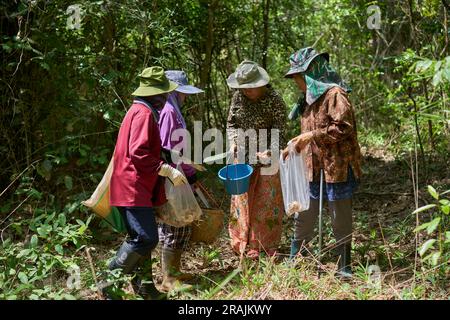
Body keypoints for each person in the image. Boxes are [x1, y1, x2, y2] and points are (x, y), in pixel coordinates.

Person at [105, 66, 188, 299]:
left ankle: (146, 290)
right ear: (154, 93)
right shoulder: (143, 113)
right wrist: (166, 169)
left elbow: (145, 147)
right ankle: (108, 283)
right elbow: (138, 152)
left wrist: (165, 155)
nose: (165, 98)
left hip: (135, 186)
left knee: (142, 239)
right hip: (132, 186)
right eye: (163, 93)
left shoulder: (140, 110)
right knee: (145, 237)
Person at [282, 47, 362, 277]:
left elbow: (343, 127)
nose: (297, 83)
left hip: (336, 166)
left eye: (298, 77)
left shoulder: (334, 94)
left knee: (340, 215)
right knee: (305, 212)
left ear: (310, 74)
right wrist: (295, 146)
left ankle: (344, 265)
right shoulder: (308, 99)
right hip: (313, 167)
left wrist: (311, 136)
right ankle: (295, 259)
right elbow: (307, 132)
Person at [226, 60, 287, 259]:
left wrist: (270, 151)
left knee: (266, 200)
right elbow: (231, 124)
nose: (247, 92)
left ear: (261, 84)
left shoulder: (274, 100)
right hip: (243, 157)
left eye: (251, 88)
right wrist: (233, 141)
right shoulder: (237, 98)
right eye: (243, 89)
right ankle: (243, 243)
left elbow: (280, 131)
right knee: (242, 200)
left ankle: (265, 244)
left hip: (267, 159)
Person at [157, 70, 204, 291]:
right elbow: (168, 150)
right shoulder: (168, 112)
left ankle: (173, 271)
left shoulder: (173, 111)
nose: (185, 98)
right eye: (183, 93)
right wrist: (188, 172)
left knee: (179, 223)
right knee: (174, 223)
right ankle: (168, 278)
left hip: (176, 172)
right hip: (171, 176)